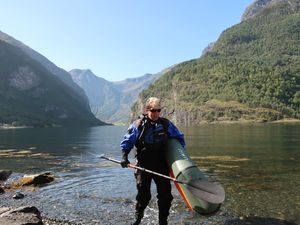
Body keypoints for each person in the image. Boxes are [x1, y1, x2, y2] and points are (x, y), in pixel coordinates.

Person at [120, 97, 185, 225]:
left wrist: (179, 157)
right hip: (143, 165)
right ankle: (138, 219)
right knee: (144, 197)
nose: (156, 113)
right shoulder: (138, 124)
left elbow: (179, 138)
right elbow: (127, 141)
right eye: (153, 110)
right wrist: (124, 157)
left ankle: (162, 221)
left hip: (161, 164)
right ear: (147, 110)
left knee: (166, 196)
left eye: (158, 110)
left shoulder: (166, 124)